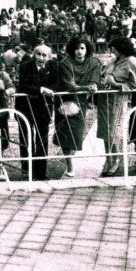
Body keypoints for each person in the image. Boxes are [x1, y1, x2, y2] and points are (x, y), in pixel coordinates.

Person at [54, 37, 100, 178]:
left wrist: (92, 86)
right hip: (65, 100)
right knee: (66, 134)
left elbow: (94, 80)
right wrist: (86, 88)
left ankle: (70, 157)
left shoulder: (94, 63)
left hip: (81, 101)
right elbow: (69, 85)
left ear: (87, 49)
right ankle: (69, 165)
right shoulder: (65, 63)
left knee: (77, 134)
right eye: (76, 48)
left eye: (82, 48)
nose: (79, 51)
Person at [97, 37, 136, 177]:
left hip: (117, 100)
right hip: (105, 99)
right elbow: (103, 76)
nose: (112, 51)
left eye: (114, 48)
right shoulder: (114, 60)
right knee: (105, 132)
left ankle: (116, 160)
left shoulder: (131, 61)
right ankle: (109, 159)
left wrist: (115, 83)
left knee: (114, 131)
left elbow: (131, 86)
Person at [16, 45, 57, 181]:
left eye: (45, 55)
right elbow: (23, 86)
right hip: (25, 107)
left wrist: (50, 90)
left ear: (49, 57)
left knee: (42, 139)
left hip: (42, 109)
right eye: (39, 54)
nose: (41, 58)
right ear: (34, 54)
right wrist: (41, 90)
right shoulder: (25, 66)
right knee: (26, 138)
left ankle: (41, 171)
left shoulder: (52, 67)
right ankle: (27, 170)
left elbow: (56, 84)